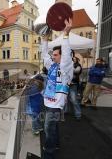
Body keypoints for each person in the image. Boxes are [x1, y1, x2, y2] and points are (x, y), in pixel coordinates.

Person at [42, 19, 73, 159]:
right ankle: (56, 144)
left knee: (48, 128)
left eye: (55, 55)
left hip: (55, 105)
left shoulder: (65, 67)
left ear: (61, 56)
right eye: (53, 55)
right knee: (53, 127)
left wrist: (65, 35)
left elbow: (66, 54)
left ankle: (49, 153)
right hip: (49, 102)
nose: (53, 57)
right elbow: (44, 56)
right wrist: (45, 40)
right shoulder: (52, 66)